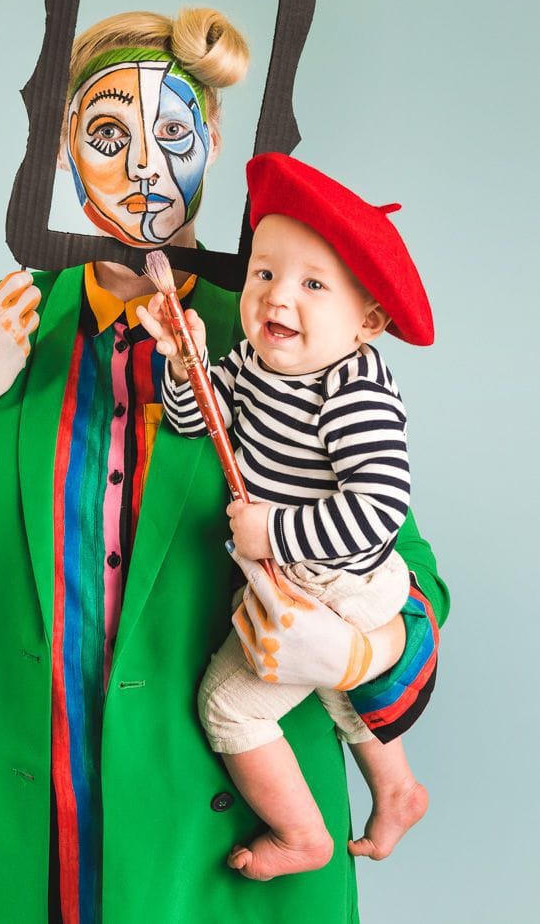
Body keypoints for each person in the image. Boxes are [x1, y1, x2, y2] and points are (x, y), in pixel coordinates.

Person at [0, 10, 449, 923]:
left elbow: (405, 574)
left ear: (212, 145)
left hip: (206, 822)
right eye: (107, 135)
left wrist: (357, 651)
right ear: (60, 157)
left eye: (172, 134)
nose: (142, 168)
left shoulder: (279, 323)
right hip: (16, 807)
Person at [138, 151, 437, 881]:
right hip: (310, 576)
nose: (278, 298)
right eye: (266, 273)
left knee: (230, 708)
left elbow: (376, 511)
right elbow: (195, 423)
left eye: (312, 284)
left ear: (367, 319)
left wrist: (274, 530)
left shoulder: (354, 390)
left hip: (344, 580)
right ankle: (397, 788)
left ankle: (302, 833)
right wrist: (188, 370)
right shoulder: (253, 363)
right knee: (342, 694)